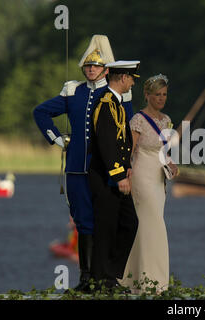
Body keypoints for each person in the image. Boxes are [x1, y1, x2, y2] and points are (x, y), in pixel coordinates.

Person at [33, 35, 134, 292]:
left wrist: (124, 166)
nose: (91, 69)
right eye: (88, 66)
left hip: (104, 170)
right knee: (83, 222)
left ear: (106, 69)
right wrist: (57, 138)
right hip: (77, 167)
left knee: (109, 222)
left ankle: (107, 278)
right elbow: (40, 112)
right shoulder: (73, 91)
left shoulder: (115, 94)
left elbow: (126, 132)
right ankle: (87, 278)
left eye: (96, 66)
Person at [119, 74, 178, 294]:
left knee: (153, 224)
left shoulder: (166, 119)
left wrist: (172, 164)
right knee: (150, 225)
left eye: (164, 95)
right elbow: (129, 150)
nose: (161, 98)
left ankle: (144, 280)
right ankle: (147, 281)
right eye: (157, 95)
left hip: (159, 177)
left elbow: (164, 151)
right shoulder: (138, 120)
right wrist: (126, 175)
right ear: (147, 95)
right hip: (142, 175)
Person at [89, 60, 140, 291]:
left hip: (117, 173)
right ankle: (102, 280)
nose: (132, 83)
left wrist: (126, 165)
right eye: (131, 78)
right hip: (106, 176)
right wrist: (119, 175)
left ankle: (110, 275)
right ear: (122, 78)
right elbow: (107, 142)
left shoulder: (116, 103)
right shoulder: (106, 103)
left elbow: (121, 141)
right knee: (106, 228)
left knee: (129, 223)